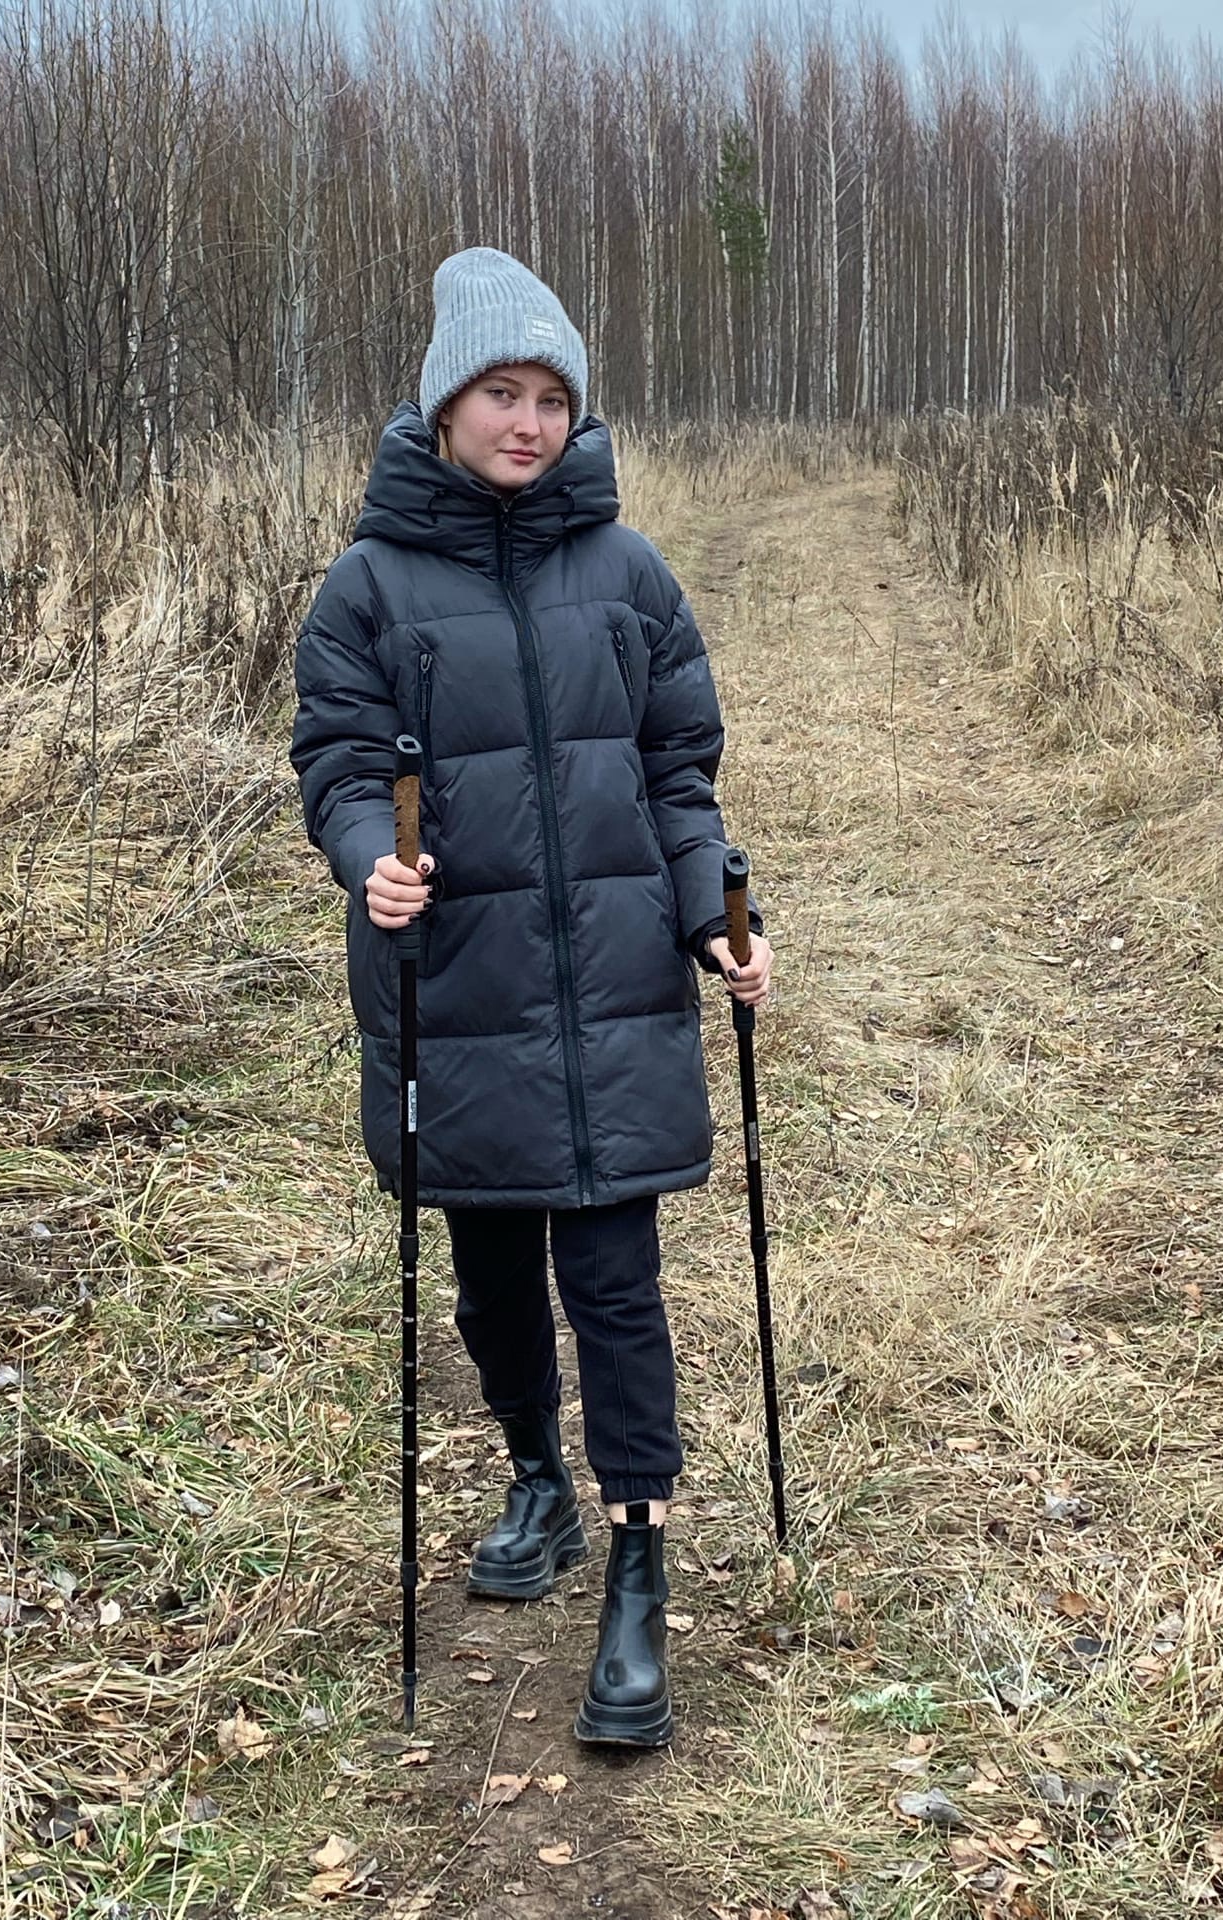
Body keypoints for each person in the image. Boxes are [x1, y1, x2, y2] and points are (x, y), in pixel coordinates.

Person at [290, 247, 772, 1749]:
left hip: (616, 991)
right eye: (502, 393)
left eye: (553, 397)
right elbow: (338, 765)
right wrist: (370, 860)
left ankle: (637, 1564)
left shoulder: (630, 575)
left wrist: (717, 924)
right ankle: (537, 1478)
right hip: (459, 988)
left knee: (615, 1283)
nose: (530, 421)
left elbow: (678, 777)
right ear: (445, 405)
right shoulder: (369, 588)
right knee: (493, 1273)